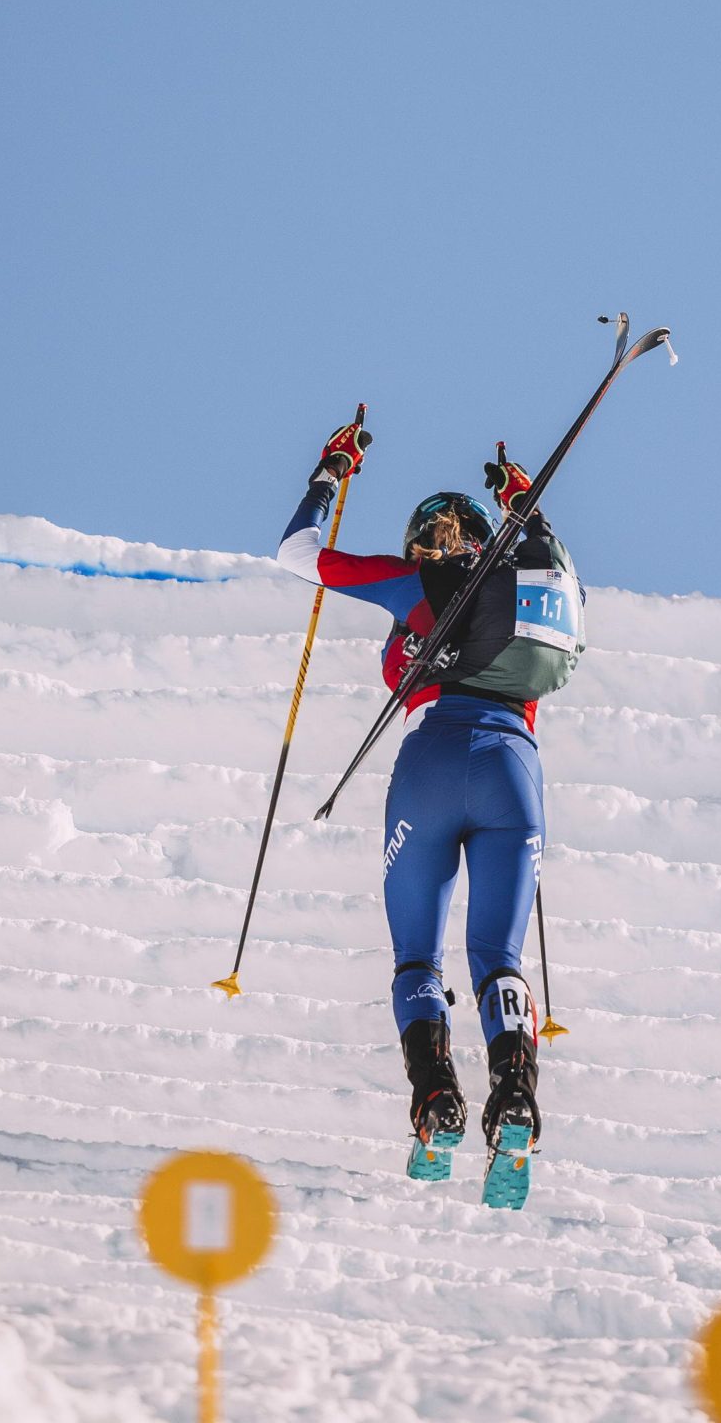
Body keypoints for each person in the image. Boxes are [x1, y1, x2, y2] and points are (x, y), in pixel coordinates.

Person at [276, 422, 585, 1199]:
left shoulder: (411, 584)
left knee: (418, 956)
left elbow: (295, 554)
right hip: (514, 767)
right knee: (498, 958)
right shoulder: (517, 591)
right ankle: (514, 1096)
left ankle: (435, 1099)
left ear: (419, 546)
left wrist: (330, 472)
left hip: (429, 764)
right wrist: (527, 506)